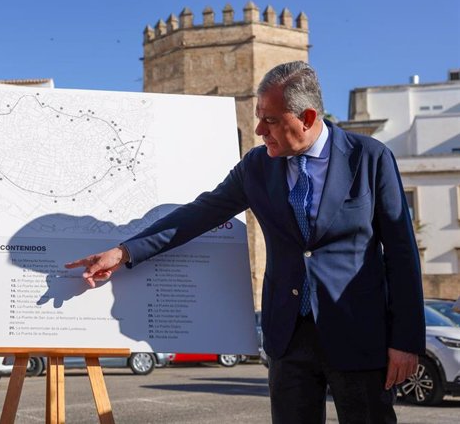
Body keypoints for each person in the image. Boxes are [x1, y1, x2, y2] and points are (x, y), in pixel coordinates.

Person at [66, 61, 425, 423]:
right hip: (288, 337)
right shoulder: (256, 166)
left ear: (307, 116)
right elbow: (198, 214)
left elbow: (402, 254)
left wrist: (406, 341)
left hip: (358, 334)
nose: (258, 130)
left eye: (269, 120)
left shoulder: (369, 158)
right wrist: (125, 251)